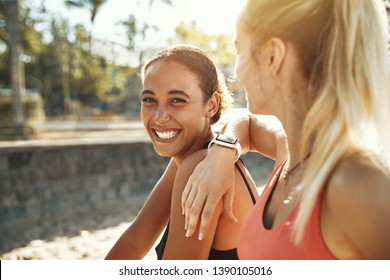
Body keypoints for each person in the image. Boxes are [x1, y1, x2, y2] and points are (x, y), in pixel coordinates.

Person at [181, 0, 390, 259]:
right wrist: (221, 152)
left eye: (238, 50)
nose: (236, 72)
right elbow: (243, 121)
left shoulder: (357, 186)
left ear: (272, 56)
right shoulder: (292, 153)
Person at [105, 44, 260, 260]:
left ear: (212, 105)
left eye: (177, 100)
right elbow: (135, 241)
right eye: (149, 100)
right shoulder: (193, 159)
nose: (159, 117)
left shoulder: (199, 165)